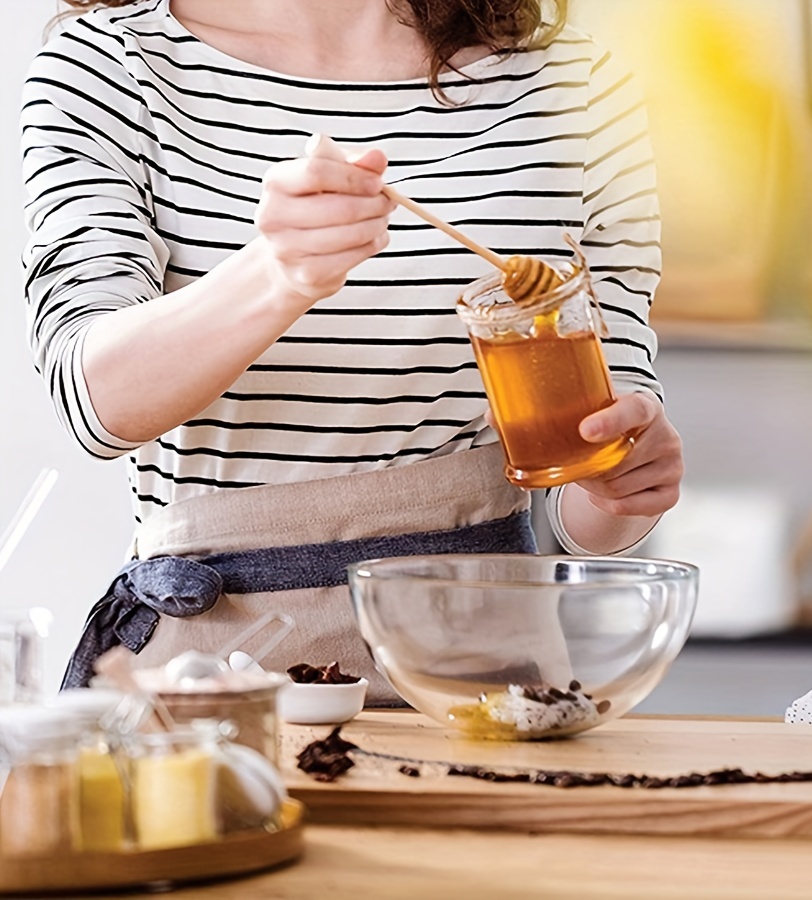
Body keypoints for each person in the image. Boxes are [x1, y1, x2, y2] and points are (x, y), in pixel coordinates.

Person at [22, 0, 684, 699]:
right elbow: (93, 402)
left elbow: (596, 483)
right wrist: (274, 276)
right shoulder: (111, 63)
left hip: (483, 678)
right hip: (215, 683)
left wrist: (624, 487)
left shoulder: (580, 84)